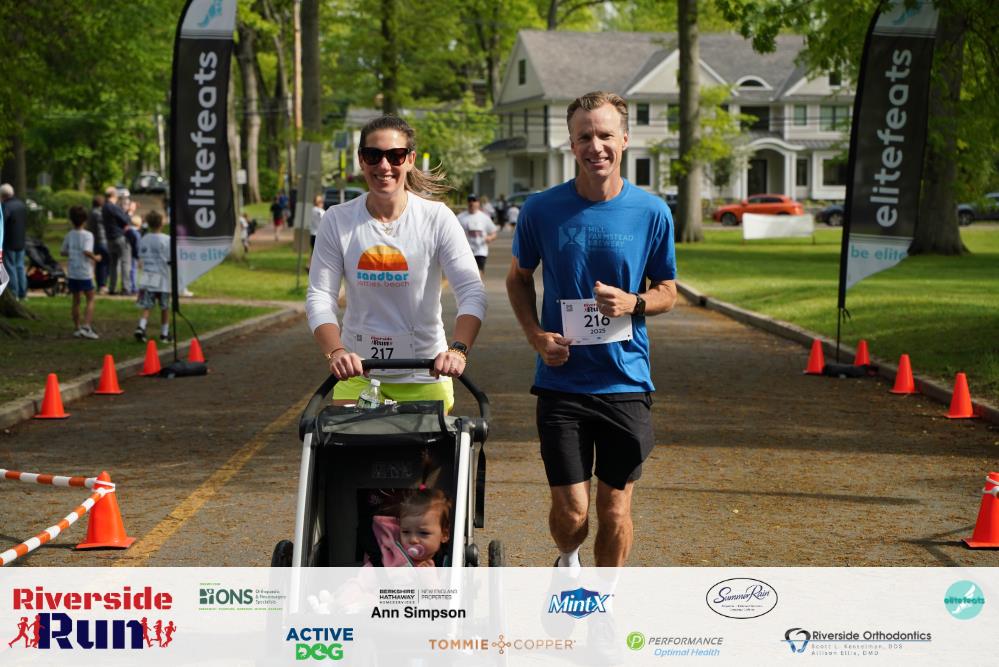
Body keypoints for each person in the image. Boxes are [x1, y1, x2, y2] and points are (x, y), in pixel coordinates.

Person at [505, 91, 677, 568]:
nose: (595, 146)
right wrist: (536, 336)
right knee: (572, 512)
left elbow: (668, 290)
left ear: (625, 139)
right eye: (584, 137)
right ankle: (568, 559)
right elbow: (518, 279)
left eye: (605, 135)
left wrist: (634, 302)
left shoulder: (652, 212)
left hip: (626, 380)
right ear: (571, 144)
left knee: (615, 510)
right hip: (562, 382)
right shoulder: (541, 209)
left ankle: (603, 599)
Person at [306, 115, 486, 413]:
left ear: (410, 159)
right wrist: (336, 351)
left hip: (426, 370)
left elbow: (471, 290)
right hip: (358, 372)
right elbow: (320, 296)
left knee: (426, 445)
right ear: (361, 160)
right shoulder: (337, 219)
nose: (384, 165)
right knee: (349, 443)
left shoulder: (437, 218)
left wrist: (458, 350)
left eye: (395, 155)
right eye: (373, 155)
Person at [61, 205, 101, 339]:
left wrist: (72, 251)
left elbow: (63, 251)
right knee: (90, 298)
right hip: (84, 272)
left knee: (76, 300)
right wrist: (96, 257)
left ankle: (77, 327)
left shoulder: (69, 235)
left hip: (73, 271)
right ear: (85, 220)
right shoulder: (88, 235)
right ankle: (86, 327)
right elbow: (86, 251)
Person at [134, 210, 172, 343]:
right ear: (162, 223)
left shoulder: (144, 238)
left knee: (147, 305)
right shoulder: (167, 239)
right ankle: (164, 334)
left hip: (148, 275)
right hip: (162, 277)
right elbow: (170, 258)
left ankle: (141, 326)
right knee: (165, 307)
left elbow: (141, 257)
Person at [457, 194, 497, 276]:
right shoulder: (460, 217)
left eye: (474, 200)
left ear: (478, 203)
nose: (471, 203)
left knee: (478, 273)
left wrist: (490, 237)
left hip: (480, 251)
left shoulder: (484, 217)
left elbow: (494, 232)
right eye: (469, 201)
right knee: (467, 273)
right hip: (466, 251)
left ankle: (477, 283)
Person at [101, 186, 131, 295]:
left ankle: (112, 288)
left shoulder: (104, 207)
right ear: (114, 195)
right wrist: (130, 212)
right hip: (119, 238)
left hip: (109, 238)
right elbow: (126, 220)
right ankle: (125, 288)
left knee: (113, 265)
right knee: (125, 262)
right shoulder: (113, 207)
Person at [1, 183, 28, 300]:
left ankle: (14, 293)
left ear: (3, 195)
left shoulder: (5, 206)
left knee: (10, 267)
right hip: (21, 241)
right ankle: (23, 293)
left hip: (9, 241)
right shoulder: (21, 205)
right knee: (20, 267)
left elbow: (3, 222)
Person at [87, 194, 110, 293]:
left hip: (94, 241)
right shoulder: (100, 213)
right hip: (102, 240)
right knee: (104, 262)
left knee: (99, 263)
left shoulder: (91, 213)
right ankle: (102, 285)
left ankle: (99, 284)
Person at [125, 214, 142, 294]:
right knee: (133, 271)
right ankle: (134, 287)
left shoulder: (127, 231)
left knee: (129, 271)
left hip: (127, 253)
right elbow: (137, 246)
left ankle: (129, 286)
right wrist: (139, 256)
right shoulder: (136, 234)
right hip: (134, 254)